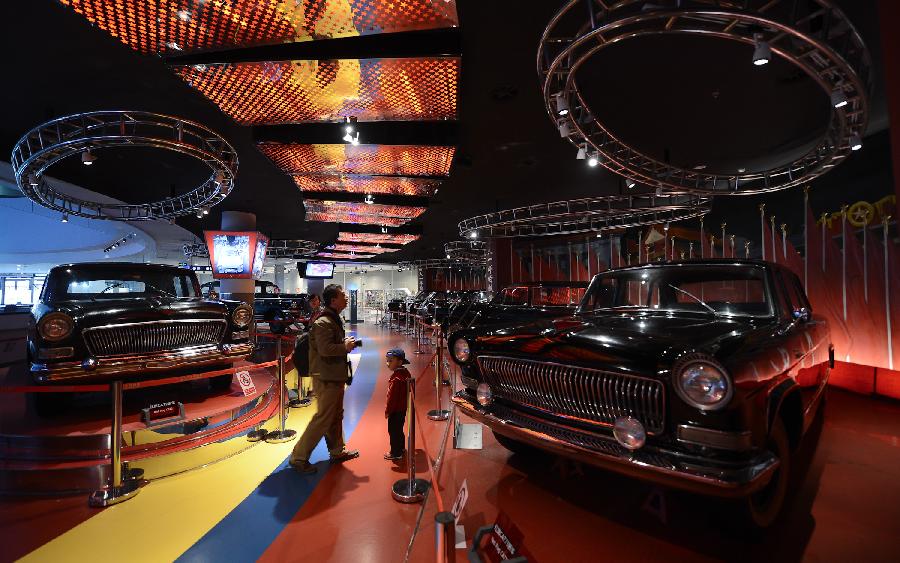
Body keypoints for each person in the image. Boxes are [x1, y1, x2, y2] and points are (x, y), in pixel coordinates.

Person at [289, 284, 360, 474]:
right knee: (323, 418)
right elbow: (325, 349)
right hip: (325, 376)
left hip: (334, 374)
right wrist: (344, 347)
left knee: (336, 415)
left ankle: (337, 451)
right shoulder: (324, 322)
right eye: (343, 295)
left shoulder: (334, 319)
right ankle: (299, 457)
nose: (346, 297)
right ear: (333, 300)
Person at [383, 348, 412, 461]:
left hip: (395, 410)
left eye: (390, 361)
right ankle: (401, 448)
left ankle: (396, 452)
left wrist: (387, 411)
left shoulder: (396, 379)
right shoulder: (405, 373)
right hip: (403, 408)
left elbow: (391, 398)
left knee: (393, 431)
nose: (387, 363)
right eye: (387, 360)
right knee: (399, 429)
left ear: (399, 362)